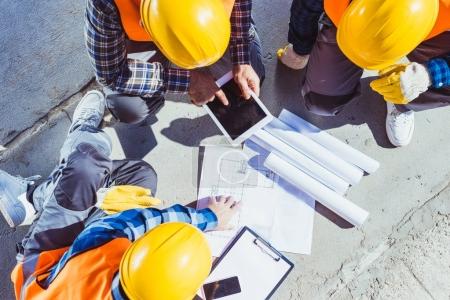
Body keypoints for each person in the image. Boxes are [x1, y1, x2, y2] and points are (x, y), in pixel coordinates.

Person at [0, 91, 241, 299]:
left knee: (86, 164)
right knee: (141, 178)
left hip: (40, 269)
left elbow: (138, 221)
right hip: (75, 266)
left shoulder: (98, 252)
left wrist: (210, 218)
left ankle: (30, 198)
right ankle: (39, 199)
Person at [277, 0, 450, 147]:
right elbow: (306, 5)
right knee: (322, 100)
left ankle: (402, 103)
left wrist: (427, 75)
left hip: (439, 31)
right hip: (352, 21)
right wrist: (301, 49)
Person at [85, 0, 265, 124]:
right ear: (144, 23)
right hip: (140, 36)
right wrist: (189, 81)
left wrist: (241, 58)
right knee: (129, 107)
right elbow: (111, 74)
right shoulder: (106, 4)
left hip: (205, 18)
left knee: (249, 79)